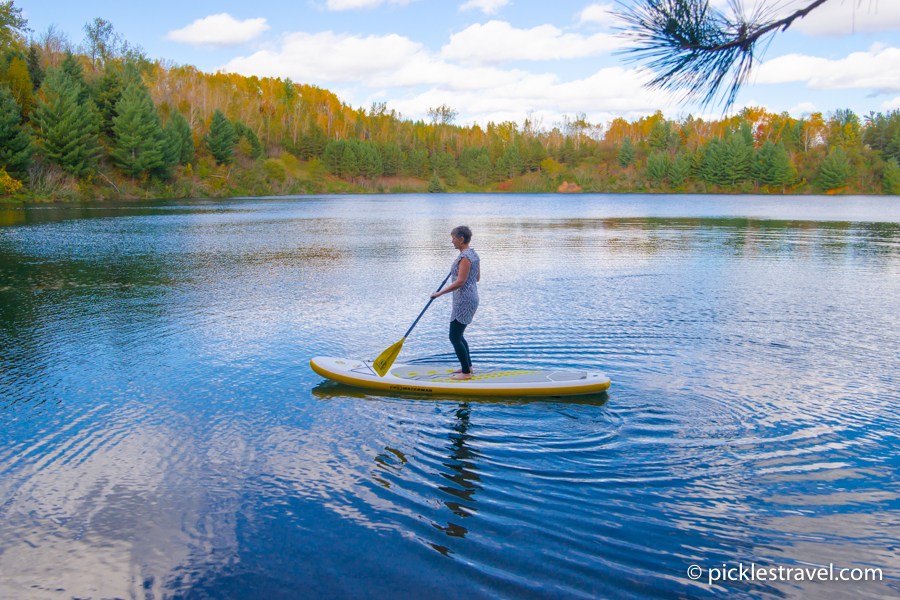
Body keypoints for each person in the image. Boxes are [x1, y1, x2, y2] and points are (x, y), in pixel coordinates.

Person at [431, 226, 480, 380]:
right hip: (469, 298)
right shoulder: (473, 254)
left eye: (453, 238)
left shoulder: (465, 257)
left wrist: (439, 293)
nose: (452, 241)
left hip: (464, 301)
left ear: (461, 239)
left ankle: (466, 373)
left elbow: (460, 282)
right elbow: (476, 278)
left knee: (454, 337)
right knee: (459, 335)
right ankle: (468, 367)